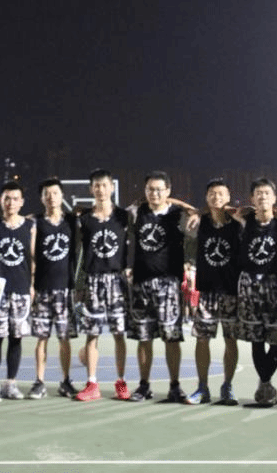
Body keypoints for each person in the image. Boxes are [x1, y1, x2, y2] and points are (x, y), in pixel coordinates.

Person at [126, 171, 190, 403]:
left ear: (168, 191)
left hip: (169, 283)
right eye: (150, 189)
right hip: (142, 284)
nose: (154, 194)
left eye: (159, 189)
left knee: (171, 338)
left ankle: (175, 386)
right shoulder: (137, 213)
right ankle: (144, 386)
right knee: (144, 338)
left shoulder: (178, 215)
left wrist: (173, 201)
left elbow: (195, 212)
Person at [74, 169, 132, 401]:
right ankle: (92, 384)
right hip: (93, 280)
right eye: (96, 186)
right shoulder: (84, 219)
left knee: (119, 334)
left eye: (104, 185)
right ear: (91, 189)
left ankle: (121, 382)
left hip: (117, 280)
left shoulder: (124, 216)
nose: (100, 189)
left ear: (112, 187)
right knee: (92, 334)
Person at [185, 179, 241, 406]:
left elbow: (255, 211)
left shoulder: (237, 223)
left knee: (231, 339)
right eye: (212, 194)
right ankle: (202, 387)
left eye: (220, 194)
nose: (216, 197)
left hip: (230, 291)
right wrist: (197, 211)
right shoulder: (202, 222)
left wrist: (230, 211)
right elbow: (177, 204)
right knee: (202, 339)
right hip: (207, 290)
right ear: (206, 198)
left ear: (228, 197)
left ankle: (227, 386)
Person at [237, 178, 277, 407]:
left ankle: (265, 382)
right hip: (249, 284)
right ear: (252, 198)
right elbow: (216, 208)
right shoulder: (244, 220)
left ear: (274, 198)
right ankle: (266, 386)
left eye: (267, 193)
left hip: (274, 285)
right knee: (256, 341)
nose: (262, 197)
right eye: (258, 193)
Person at [28, 178, 79, 399]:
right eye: (46, 194)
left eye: (55, 193)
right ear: (41, 198)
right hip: (42, 288)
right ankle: (39, 382)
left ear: (62, 196)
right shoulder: (35, 222)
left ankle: (66, 381)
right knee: (42, 338)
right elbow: (31, 255)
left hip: (65, 289)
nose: (51, 197)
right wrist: (31, 283)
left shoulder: (72, 220)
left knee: (64, 339)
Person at [0, 181, 36, 400]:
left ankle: (11, 383)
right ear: (0, 200)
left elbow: (33, 259)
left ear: (22, 202)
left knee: (16, 338)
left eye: (15, 198)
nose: (11, 202)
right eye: (7, 198)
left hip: (21, 288)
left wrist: (32, 285)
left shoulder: (30, 227)